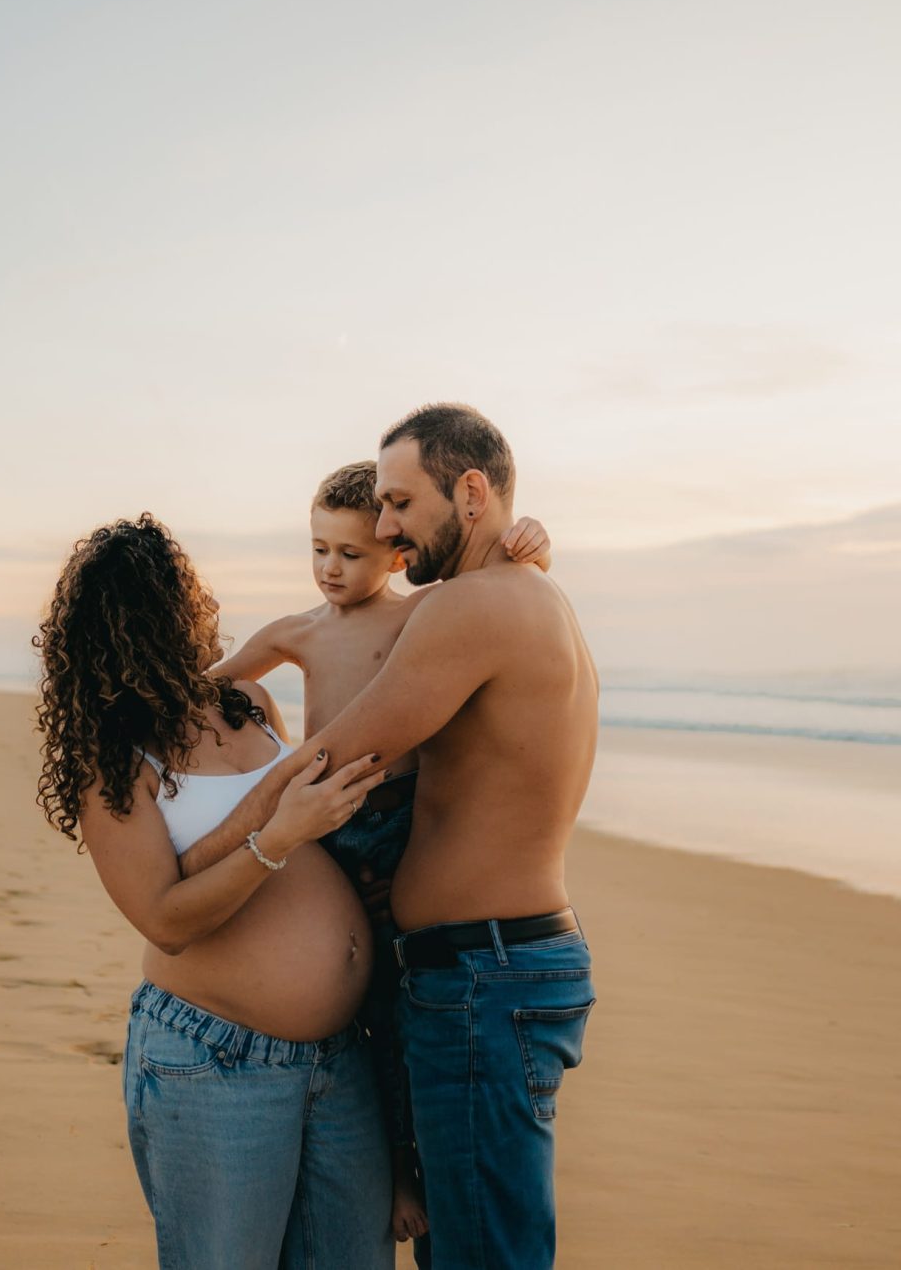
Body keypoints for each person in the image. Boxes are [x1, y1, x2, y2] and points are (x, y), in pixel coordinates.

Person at [178, 404, 600, 1270]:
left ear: (472, 492)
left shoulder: (474, 606)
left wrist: (205, 859)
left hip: (484, 973)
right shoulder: (525, 595)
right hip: (497, 964)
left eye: (401, 503)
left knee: (483, 1256)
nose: (384, 527)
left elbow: (340, 755)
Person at [33, 513, 396, 1270]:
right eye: (180, 598)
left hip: (339, 1056)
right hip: (218, 1062)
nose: (200, 611)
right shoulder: (114, 759)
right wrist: (279, 833)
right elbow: (166, 919)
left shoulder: (244, 702)